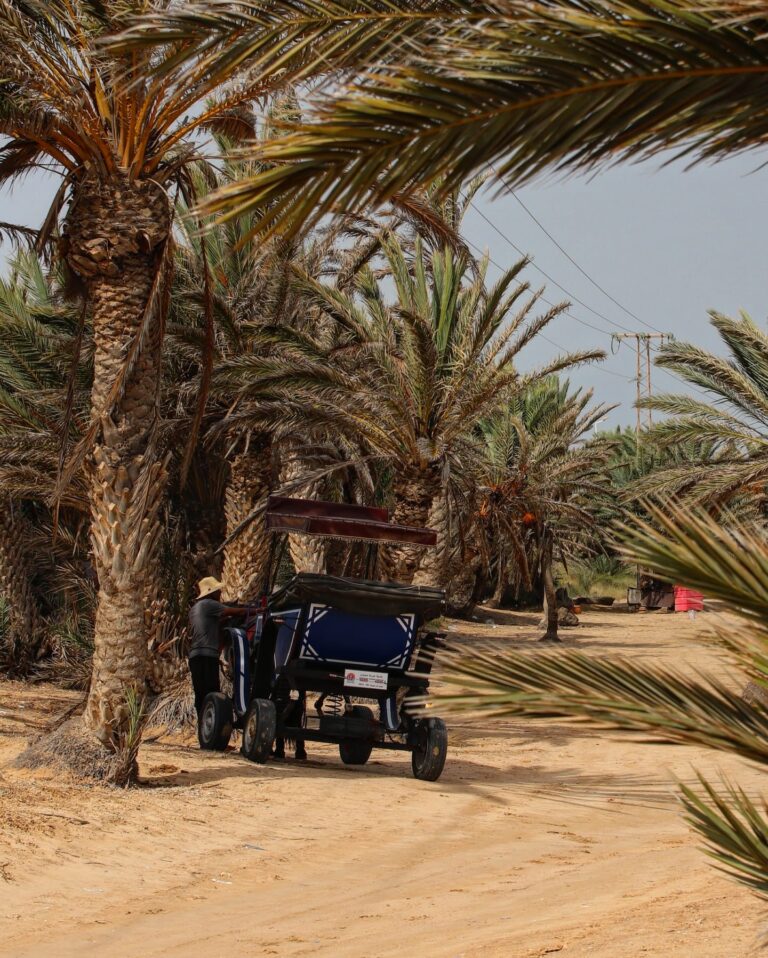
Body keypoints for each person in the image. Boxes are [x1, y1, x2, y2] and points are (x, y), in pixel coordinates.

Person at [188, 577, 254, 724]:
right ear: (211, 592)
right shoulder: (210, 604)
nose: (220, 593)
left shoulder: (195, 609)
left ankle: (204, 730)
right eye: (218, 590)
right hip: (207, 655)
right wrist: (254, 610)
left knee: (201, 695)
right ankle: (215, 729)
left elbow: (210, 625)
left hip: (194, 656)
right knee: (213, 693)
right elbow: (234, 612)